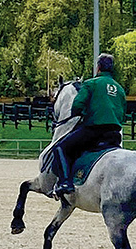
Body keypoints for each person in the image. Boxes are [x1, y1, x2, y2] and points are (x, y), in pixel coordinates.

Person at [48, 53, 126, 199]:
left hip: (94, 131)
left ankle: (65, 183)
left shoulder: (91, 84)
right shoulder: (120, 89)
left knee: (60, 148)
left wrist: (84, 113)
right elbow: (123, 114)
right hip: (115, 134)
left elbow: (77, 106)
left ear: (98, 68)